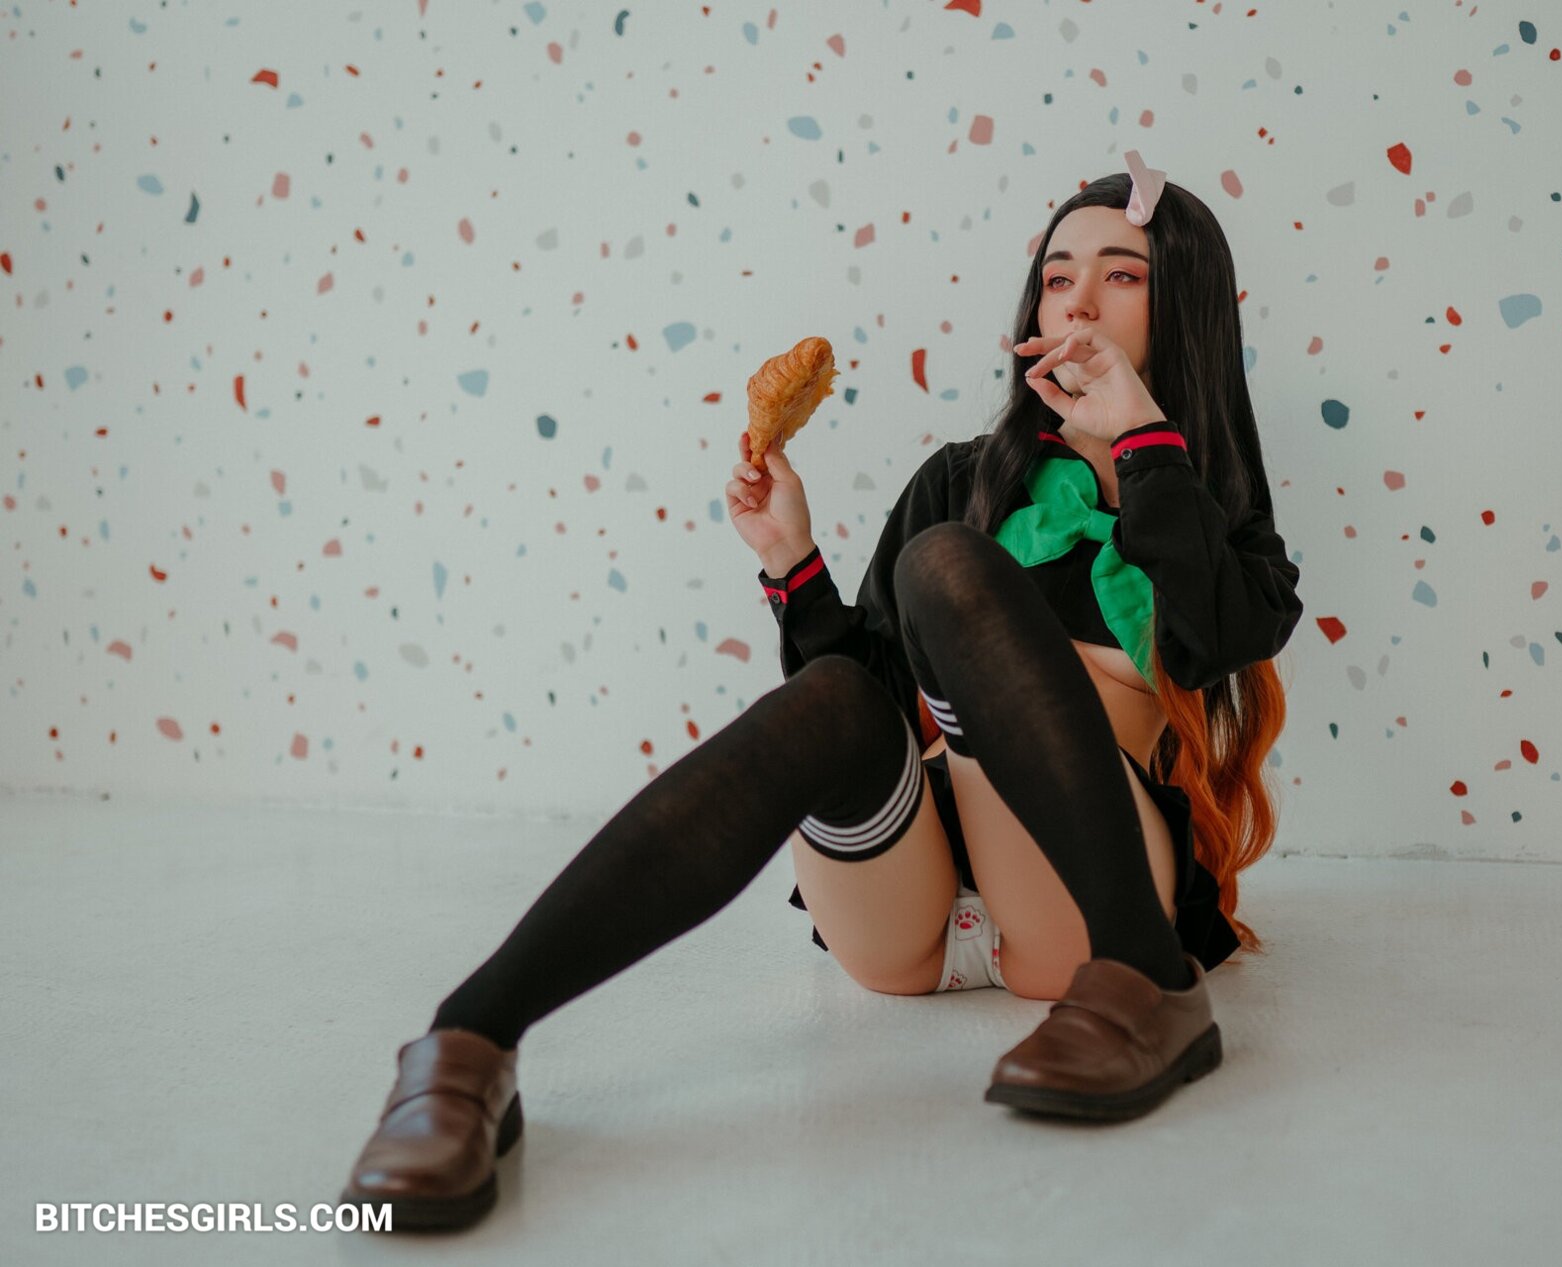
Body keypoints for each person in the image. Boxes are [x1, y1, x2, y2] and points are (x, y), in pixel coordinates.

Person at [339, 152, 1302, 1233]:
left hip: (1083, 915)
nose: (1074, 300)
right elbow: (871, 708)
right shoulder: (963, 478)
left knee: (946, 566)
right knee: (848, 684)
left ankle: (1149, 982)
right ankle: (468, 1041)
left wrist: (1144, 443)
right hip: (908, 920)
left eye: (1120, 275)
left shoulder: (1209, 504)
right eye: (1055, 275)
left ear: (1184, 312)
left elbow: (1221, 637)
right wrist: (793, 566)